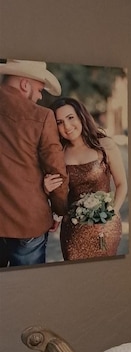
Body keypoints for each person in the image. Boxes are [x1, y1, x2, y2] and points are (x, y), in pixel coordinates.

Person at [0, 59, 69, 267]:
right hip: (27, 223)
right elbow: (57, 171)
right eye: (40, 90)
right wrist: (59, 210)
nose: (40, 97)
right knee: (30, 290)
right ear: (24, 84)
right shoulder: (41, 116)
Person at [48, 97, 127, 260]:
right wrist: (47, 189)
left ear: (81, 116)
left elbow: (121, 184)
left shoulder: (105, 145)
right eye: (59, 122)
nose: (67, 127)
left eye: (70, 118)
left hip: (105, 226)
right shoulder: (58, 154)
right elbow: (59, 196)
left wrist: (111, 215)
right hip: (73, 229)